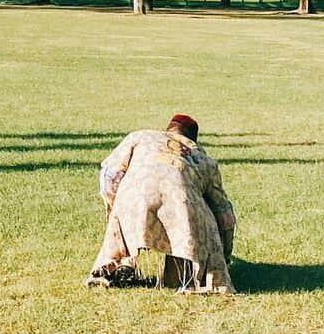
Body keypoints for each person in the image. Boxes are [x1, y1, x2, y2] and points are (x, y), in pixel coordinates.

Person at [86, 115, 237, 293]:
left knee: (129, 202)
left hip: (134, 198)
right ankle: (184, 276)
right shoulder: (202, 158)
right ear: (192, 138)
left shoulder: (140, 136)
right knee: (196, 208)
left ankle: (117, 264)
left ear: (168, 130)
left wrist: (115, 206)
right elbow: (224, 213)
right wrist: (224, 254)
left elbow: (110, 175)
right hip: (182, 214)